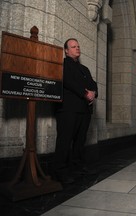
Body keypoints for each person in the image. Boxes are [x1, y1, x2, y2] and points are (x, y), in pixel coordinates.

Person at [53, 38, 98, 184]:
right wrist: (86, 94)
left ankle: (78, 167)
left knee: (80, 141)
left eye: (78, 46)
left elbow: (93, 84)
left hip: (84, 110)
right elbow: (68, 81)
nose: (77, 48)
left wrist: (94, 93)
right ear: (66, 50)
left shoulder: (84, 69)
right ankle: (60, 172)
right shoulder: (62, 65)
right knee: (64, 141)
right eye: (73, 46)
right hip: (68, 109)